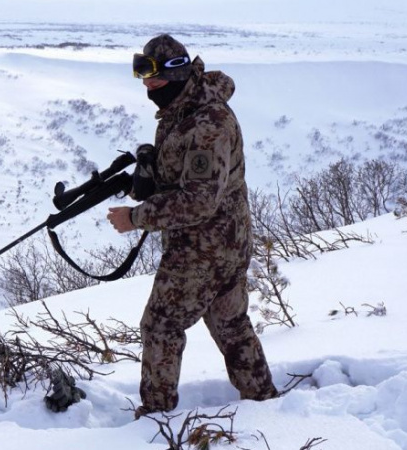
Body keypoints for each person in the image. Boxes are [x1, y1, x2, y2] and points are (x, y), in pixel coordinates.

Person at [106, 34, 278, 418]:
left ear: (178, 72)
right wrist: (149, 178)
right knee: (230, 323)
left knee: (161, 325)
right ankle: (265, 403)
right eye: (143, 76)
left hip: (205, 248)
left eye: (153, 76)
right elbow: (187, 182)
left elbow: (200, 200)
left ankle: (156, 416)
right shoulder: (183, 108)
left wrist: (136, 218)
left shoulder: (207, 123)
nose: (147, 85)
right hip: (226, 242)